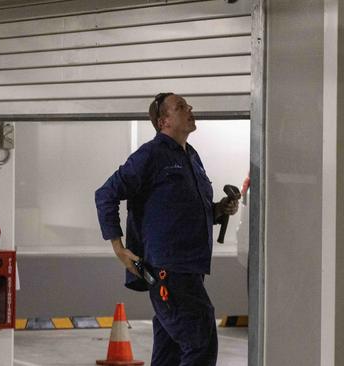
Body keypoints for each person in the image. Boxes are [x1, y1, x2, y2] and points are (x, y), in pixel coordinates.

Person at [95, 92, 239, 366]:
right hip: (168, 270)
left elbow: (181, 214)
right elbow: (106, 193)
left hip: (190, 268)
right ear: (164, 121)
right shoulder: (151, 154)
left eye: (188, 105)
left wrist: (219, 209)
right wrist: (119, 249)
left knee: (170, 352)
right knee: (201, 342)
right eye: (181, 107)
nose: (190, 109)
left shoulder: (192, 156)